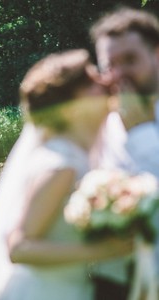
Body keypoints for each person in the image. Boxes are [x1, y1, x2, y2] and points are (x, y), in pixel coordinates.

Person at [0, 49, 132, 300]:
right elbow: (19, 247)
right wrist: (102, 250)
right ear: (73, 107)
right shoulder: (61, 164)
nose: (106, 83)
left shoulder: (76, 153)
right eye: (93, 82)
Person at [89, 6, 159, 300]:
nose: (119, 75)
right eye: (109, 66)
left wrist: (142, 132)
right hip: (116, 280)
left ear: (156, 54)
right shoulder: (99, 125)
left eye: (130, 60)